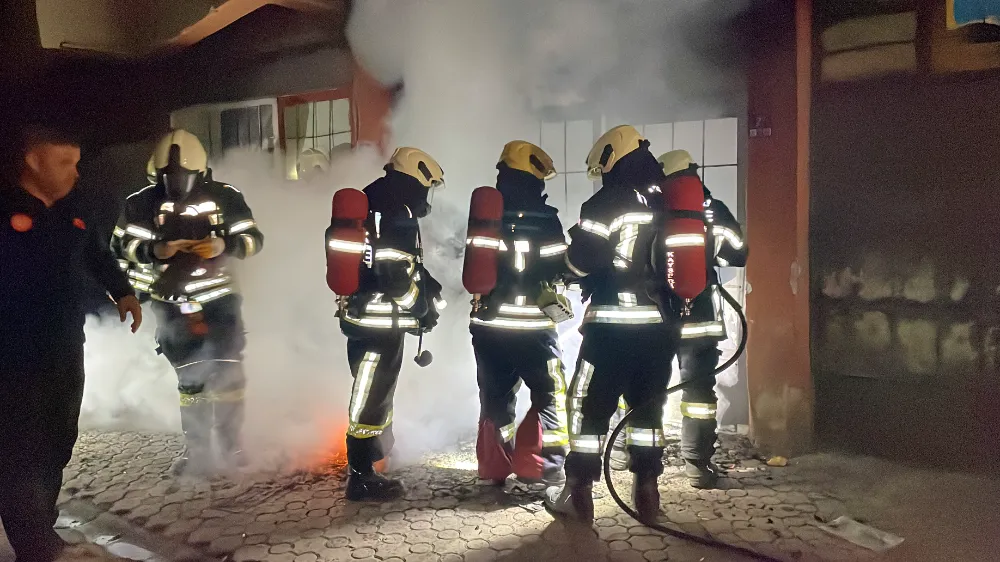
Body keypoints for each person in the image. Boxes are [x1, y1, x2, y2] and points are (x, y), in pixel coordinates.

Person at [0, 125, 142, 562]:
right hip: (13, 357)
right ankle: (36, 545)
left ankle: (42, 524)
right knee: (20, 449)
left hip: (64, 345)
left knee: (58, 440)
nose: (75, 173)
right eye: (65, 163)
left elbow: (96, 251)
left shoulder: (73, 208)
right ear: (33, 160)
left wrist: (123, 291)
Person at [545, 125, 678, 525]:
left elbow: (580, 261)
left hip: (611, 329)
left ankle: (578, 493)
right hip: (658, 330)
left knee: (587, 407)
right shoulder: (667, 199)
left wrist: (565, 268)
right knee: (648, 413)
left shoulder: (606, 201)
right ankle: (647, 495)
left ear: (610, 157)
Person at [114, 129, 264, 476]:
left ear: (202, 171)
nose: (177, 182)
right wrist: (156, 250)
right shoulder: (140, 203)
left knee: (228, 370)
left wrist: (223, 246)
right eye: (169, 177)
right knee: (190, 378)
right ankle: (196, 449)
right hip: (170, 301)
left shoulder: (226, 197)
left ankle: (232, 445)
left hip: (219, 300)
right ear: (158, 173)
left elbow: (253, 240)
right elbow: (120, 248)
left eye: (184, 176)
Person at [329, 147, 445, 502]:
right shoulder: (399, 209)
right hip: (381, 322)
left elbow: (391, 262)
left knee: (375, 391)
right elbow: (394, 274)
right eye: (430, 185)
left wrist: (428, 283)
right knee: (371, 395)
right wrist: (420, 307)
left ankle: (375, 456)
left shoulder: (371, 200)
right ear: (418, 179)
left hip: (360, 316)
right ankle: (361, 476)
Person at [468, 141, 571, 487]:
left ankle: (494, 468)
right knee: (549, 392)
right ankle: (542, 468)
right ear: (533, 174)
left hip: (487, 325)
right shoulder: (546, 218)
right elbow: (560, 267)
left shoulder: (485, 214)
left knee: (494, 395)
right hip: (532, 326)